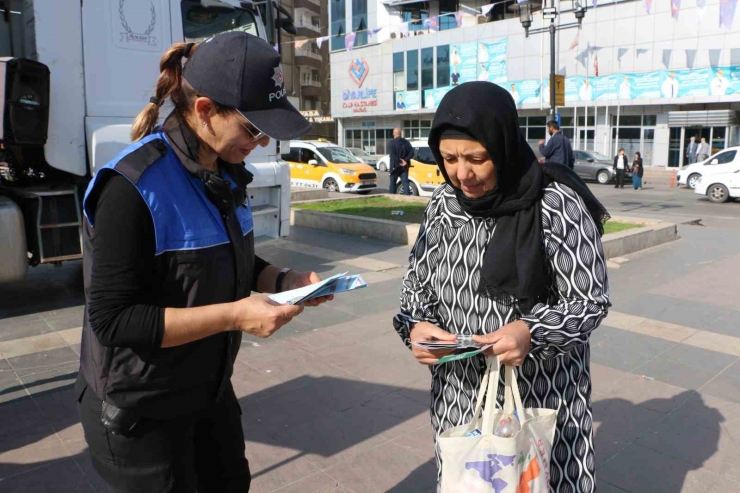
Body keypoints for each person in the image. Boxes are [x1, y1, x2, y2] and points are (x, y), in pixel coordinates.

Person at [76, 32, 333, 492]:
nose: (259, 143)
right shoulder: (133, 187)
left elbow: (224, 255)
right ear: (205, 110)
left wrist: (280, 278)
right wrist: (236, 315)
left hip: (207, 391)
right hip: (142, 408)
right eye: (253, 129)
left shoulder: (224, 173)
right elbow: (113, 320)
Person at [393, 81, 610, 493]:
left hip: (540, 399)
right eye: (449, 158)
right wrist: (416, 328)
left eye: (477, 157)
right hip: (461, 399)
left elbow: (589, 301)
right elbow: (415, 289)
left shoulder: (557, 204)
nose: (462, 173)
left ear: (504, 145)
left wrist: (531, 331)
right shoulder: (444, 204)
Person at [388, 127, 414, 194]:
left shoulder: (391, 143)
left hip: (395, 167)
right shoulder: (406, 142)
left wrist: (399, 161)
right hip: (404, 167)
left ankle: (392, 198)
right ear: (401, 133)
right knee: (405, 184)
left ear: (394, 134)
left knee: (392, 185)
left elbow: (392, 155)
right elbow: (412, 153)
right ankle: (407, 198)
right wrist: (405, 160)